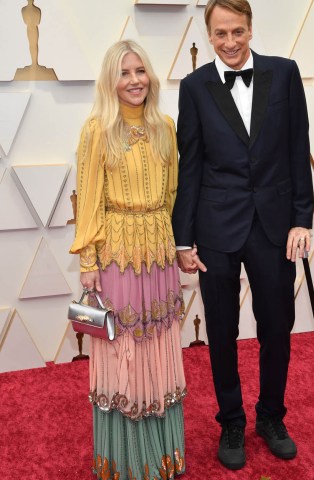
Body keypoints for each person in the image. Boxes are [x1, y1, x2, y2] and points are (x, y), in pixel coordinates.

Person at [172, 0, 314, 471]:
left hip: (275, 225)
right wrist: (183, 238)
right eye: (220, 33)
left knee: (277, 325)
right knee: (222, 329)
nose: (230, 42)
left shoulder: (285, 74)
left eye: (237, 31)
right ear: (208, 35)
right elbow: (189, 165)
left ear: (251, 29)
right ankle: (231, 420)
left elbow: (299, 149)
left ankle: (271, 416)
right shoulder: (194, 87)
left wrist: (301, 219)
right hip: (215, 226)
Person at [70, 40, 187, 480]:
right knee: (123, 349)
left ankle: (162, 455)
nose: (135, 80)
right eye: (125, 73)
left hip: (158, 249)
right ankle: (128, 461)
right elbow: (90, 200)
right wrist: (88, 258)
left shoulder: (165, 126)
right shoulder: (97, 129)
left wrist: (179, 245)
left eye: (140, 71)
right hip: (118, 251)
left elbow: (174, 193)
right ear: (110, 81)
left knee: (158, 344)